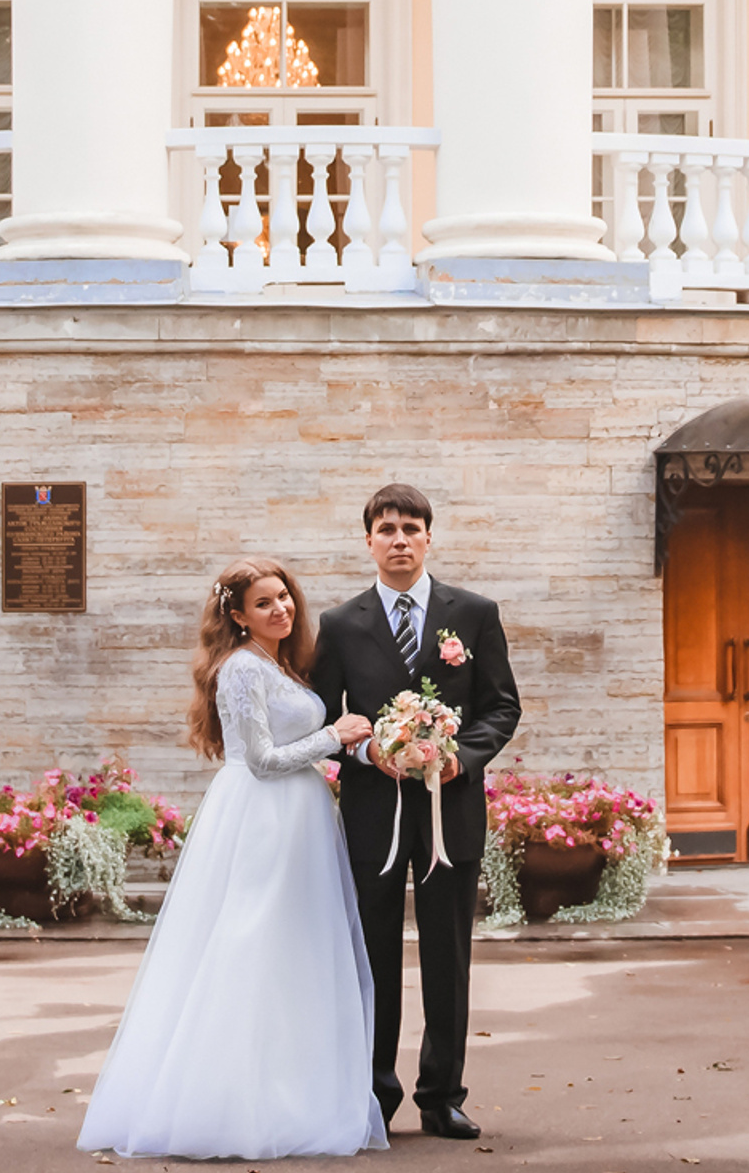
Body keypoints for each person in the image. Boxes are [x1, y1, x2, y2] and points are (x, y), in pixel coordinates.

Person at [77, 558, 386, 1160]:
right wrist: (337, 735)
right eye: (265, 603)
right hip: (264, 817)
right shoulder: (241, 668)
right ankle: (232, 1100)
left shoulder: (280, 663)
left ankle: (294, 1088)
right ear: (238, 616)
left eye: (285, 597)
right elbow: (260, 758)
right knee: (252, 943)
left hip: (301, 815)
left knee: (296, 949)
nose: (282, 609)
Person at [306, 482, 522, 1141]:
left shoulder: (475, 614)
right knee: (371, 958)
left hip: (449, 815)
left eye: (410, 528)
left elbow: (501, 705)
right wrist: (369, 750)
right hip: (372, 816)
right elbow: (321, 719)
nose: (399, 540)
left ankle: (441, 1095)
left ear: (429, 536)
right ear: (367, 540)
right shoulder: (341, 625)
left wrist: (462, 757)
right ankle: (373, 1093)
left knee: (448, 954)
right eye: (386, 529)